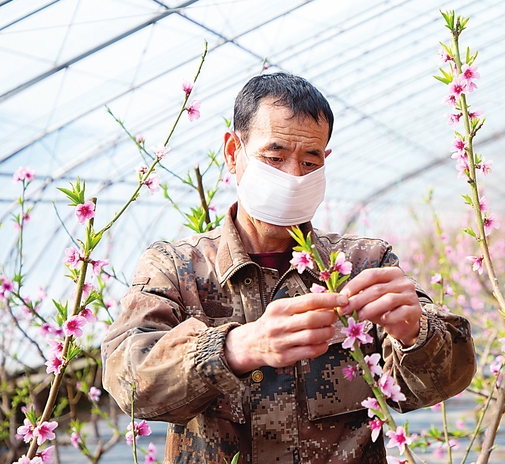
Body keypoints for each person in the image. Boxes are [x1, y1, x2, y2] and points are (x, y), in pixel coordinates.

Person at [102, 73, 476, 464]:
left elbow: (446, 376)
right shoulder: (178, 268)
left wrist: (415, 333)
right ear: (234, 152)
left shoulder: (363, 264)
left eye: (310, 160)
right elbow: (126, 376)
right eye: (274, 158)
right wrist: (235, 348)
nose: (294, 177)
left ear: (325, 161)